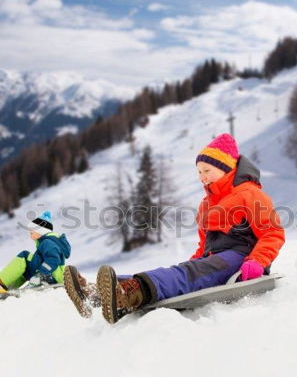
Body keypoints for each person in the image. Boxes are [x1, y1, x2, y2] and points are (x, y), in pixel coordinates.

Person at [64, 133, 285, 323]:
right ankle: (97, 294)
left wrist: (257, 262)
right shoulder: (207, 203)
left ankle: (129, 293)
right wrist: (195, 260)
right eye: (199, 172)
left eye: (206, 170)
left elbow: (272, 232)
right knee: (178, 271)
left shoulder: (250, 194)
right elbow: (204, 244)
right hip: (215, 259)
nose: (202, 177)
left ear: (226, 168)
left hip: (241, 260)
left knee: (184, 274)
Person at [0, 210, 71, 291]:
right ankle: (6, 287)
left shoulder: (47, 242)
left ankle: (2, 281)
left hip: (51, 275)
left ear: (41, 231)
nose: (30, 236)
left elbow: (54, 259)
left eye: (31, 233)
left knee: (25, 256)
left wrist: (42, 274)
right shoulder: (47, 242)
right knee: (25, 269)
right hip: (50, 274)